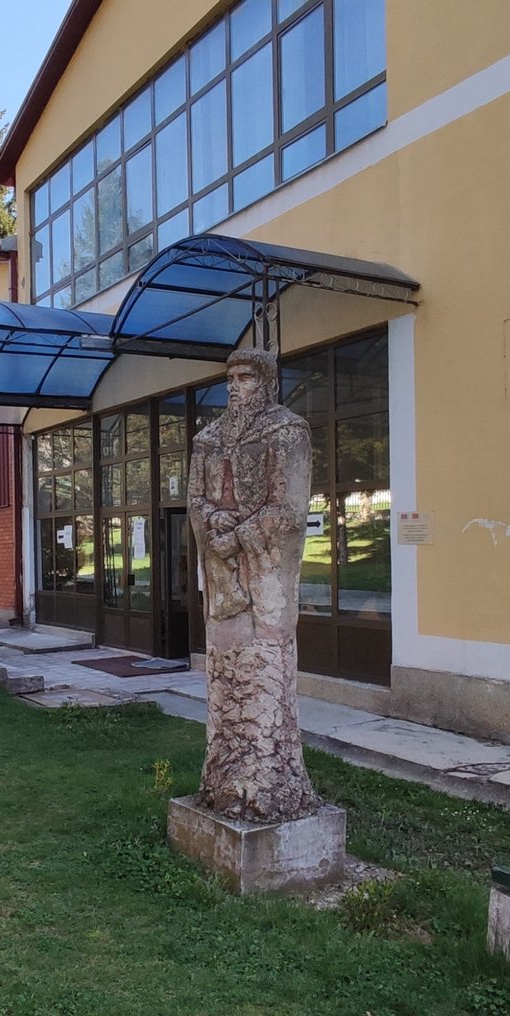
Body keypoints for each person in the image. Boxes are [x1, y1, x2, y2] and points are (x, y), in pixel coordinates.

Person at [187, 346, 320, 822]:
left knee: (266, 663)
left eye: (244, 377)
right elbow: (195, 501)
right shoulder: (209, 438)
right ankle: (223, 776)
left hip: (264, 576)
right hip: (225, 582)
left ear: (265, 382)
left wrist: (238, 536)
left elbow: (290, 509)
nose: (234, 385)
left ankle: (269, 779)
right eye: (230, 377)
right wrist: (214, 524)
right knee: (226, 667)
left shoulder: (286, 431)